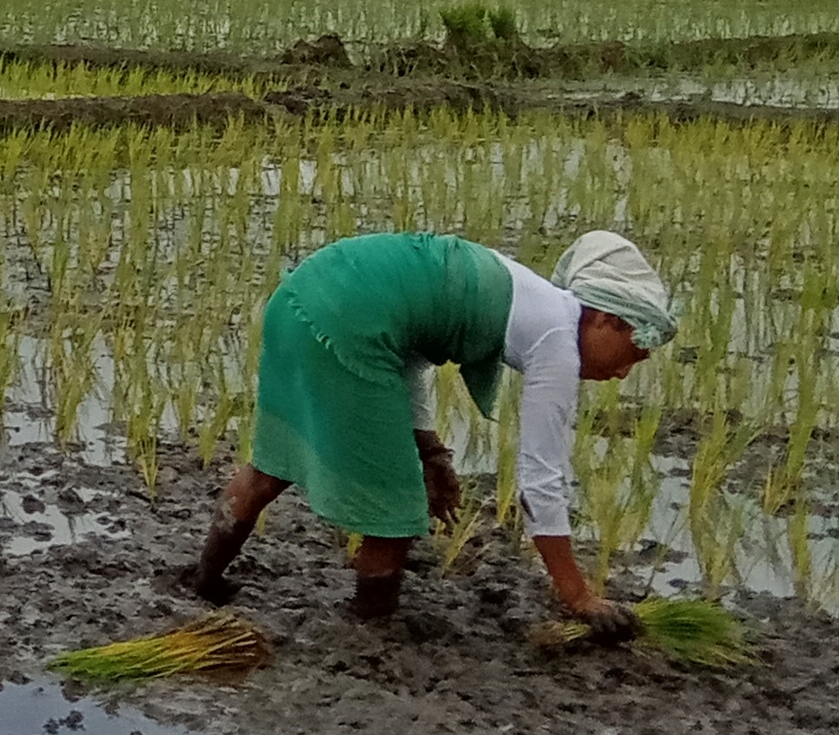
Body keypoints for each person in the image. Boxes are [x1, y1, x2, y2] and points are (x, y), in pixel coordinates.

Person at [177, 228, 677, 630]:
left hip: (301, 296)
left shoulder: (525, 293)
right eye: (635, 351)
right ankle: (371, 632)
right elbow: (540, 480)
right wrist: (578, 596)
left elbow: (410, 350)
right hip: (348, 320)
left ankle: (204, 582)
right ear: (606, 319)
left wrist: (430, 450)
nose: (623, 372)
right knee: (394, 508)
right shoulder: (556, 343)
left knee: (273, 463)